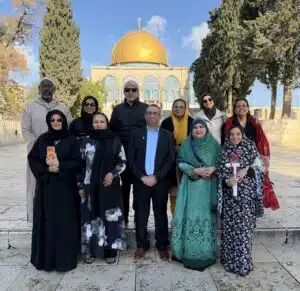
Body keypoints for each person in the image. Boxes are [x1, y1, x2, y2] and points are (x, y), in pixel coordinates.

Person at [28, 110, 81, 272]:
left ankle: (64, 261)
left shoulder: (71, 140)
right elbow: (33, 159)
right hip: (47, 188)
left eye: (59, 119)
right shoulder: (42, 140)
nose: (56, 122)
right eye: (53, 120)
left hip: (65, 189)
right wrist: (46, 169)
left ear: (64, 121)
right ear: (49, 122)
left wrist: (60, 167)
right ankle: (46, 260)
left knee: (64, 223)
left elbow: (78, 162)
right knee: (46, 221)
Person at [171, 118, 221, 271]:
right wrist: (195, 170)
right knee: (191, 217)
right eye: (195, 128)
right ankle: (188, 253)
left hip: (208, 189)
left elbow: (223, 163)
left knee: (206, 218)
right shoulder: (187, 145)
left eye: (201, 127)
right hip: (191, 189)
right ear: (191, 131)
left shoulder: (215, 146)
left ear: (206, 129)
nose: (198, 130)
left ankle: (205, 253)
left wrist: (213, 169)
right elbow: (179, 162)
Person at [21, 78, 73, 222]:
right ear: (39, 89)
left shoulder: (63, 108)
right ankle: (34, 216)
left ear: (54, 89)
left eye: (49, 86)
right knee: (35, 184)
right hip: (38, 154)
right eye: (43, 86)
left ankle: (57, 215)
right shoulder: (29, 108)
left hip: (60, 156)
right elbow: (26, 131)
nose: (46, 89)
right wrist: (38, 145)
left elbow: (69, 129)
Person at [78, 112, 126, 264]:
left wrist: (112, 174)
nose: (99, 124)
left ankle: (110, 251)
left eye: (102, 121)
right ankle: (91, 250)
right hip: (89, 187)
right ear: (92, 124)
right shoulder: (85, 142)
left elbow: (122, 162)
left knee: (110, 217)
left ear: (107, 123)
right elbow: (79, 165)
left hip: (109, 186)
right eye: (96, 121)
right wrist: (79, 184)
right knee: (90, 217)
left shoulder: (114, 141)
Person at [128, 105, 175, 260]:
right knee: (141, 214)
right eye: (149, 113)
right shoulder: (136, 134)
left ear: (160, 115)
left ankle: (162, 245)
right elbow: (131, 158)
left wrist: (157, 177)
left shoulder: (167, 135)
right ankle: (142, 245)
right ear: (145, 115)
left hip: (159, 181)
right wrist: (142, 177)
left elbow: (170, 159)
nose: (151, 116)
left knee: (161, 213)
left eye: (155, 113)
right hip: (141, 181)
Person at [217, 125, 265, 276]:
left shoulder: (250, 148)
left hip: (246, 199)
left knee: (244, 231)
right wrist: (226, 181)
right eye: (232, 134)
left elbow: (261, 169)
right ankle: (230, 262)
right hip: (230, 201)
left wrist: (247, 170)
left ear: (243, 135)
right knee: (230, 231)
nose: (235, 137)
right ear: (228, 136)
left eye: (238, 134)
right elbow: (219, 174)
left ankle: (243, 264)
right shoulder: (224, 151)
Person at [222, 98, 279, 210]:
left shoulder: (254, 123)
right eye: (238, 106)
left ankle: (250, 211)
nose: (242, 108)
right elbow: (225, 142)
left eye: (244, 105)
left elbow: (261, 140)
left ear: (248, 108)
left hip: (252, 158)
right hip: (234, 157)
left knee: (251, 184)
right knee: (235, 186)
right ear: (234, 109)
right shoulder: (229, 123)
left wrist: (261, 158)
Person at [110, 80, 148, 225]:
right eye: (127, 90)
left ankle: (139, 222)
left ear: (138, 92)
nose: (130, 92)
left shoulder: (145, 109)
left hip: (140, 158)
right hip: (123, 157)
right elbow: (112, 131)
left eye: (133, 90)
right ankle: (123, 221)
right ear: (124, 92)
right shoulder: (118, 109)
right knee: (123, 191)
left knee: (139, 192)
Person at [161, 99, 193, 215]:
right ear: (172, 108)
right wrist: (173, 148)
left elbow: (196, 140)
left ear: (185, 109)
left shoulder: (192, 122)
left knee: (187, 190)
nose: (178, 109)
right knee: (173, 190)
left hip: (188, 160)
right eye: (176, 107)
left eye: (181, 107)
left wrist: (183, 149)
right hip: (170, 160)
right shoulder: (166, 122)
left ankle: (186, 217)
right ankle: (176, 217)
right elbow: (162, 141)